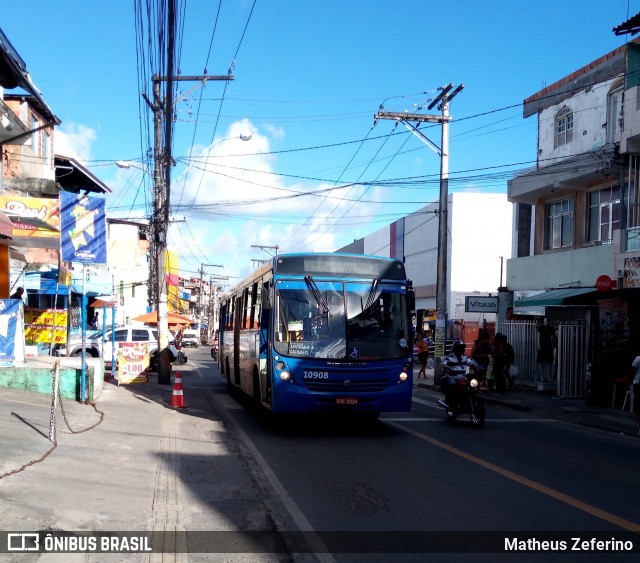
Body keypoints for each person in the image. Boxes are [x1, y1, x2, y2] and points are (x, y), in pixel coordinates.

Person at [439, 339, 477, 409]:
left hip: (463, 377)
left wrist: (477, 371)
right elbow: (445, 367)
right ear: (455, 349)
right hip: (452, 377)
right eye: (459, 348)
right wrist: (450, 371)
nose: (461, 350)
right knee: (452, 385)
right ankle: (448, 402)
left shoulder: (465, 357)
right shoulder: (448, 358)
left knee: (473, 386)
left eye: (462, 348)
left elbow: (471, 364)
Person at [628, 354, 640, 422]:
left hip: (637, 381)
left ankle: (637, 416)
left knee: (637, 398)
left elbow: (633, 369)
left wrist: (628, 377)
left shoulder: (638, 358)